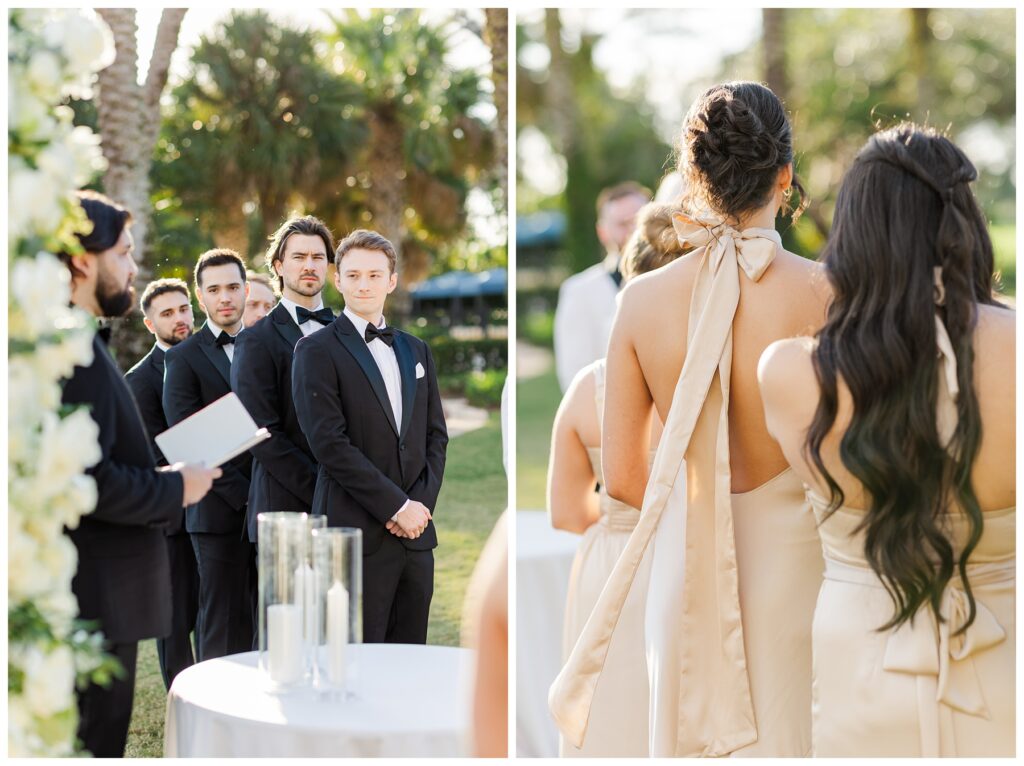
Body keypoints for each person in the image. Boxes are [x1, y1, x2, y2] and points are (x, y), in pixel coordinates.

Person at [550, 81, 831, 757]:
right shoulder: (829, 291)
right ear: (785, 176)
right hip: (803, 572)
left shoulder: (640, 303)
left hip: (684, 575)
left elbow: (622, 482)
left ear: (693, 180)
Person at [759, 124, 1015, 757]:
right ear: (964, 223)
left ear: (852, 233)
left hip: (861, 660)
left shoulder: (788, 373)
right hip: (1008, 652)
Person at [59, 191, 218, 757]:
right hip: (92, 603)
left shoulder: (80, 341)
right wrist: (178, 486)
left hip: (105, 600)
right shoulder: (62, 353)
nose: (133, 267)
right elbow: (86, 482)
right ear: (82, 261)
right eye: (124, 254)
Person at [548, 202, 687, 757]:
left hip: (612, 566)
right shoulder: (718, 376)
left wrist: (618, 518)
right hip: (689, 556)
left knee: (611, 722)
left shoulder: (588, 387)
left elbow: (565, 513)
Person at [292, 229, 448, 644]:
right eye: (354, 275)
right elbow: (329, 444)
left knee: (411, 656)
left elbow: (436, 437)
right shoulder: (316, 350)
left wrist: (419, 508)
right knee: (354, 660)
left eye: (375, 275)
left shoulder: (417, 351)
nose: (364, 284)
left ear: (392, 281)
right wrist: (395, 506)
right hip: (353, 534)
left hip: (416, 537)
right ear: (337, 280)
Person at [163, 249, 255, 660]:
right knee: (219, 620)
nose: (225, 297)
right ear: (200, 297)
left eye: (233, 287)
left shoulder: (266, 345)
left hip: (271, 505)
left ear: (245, 290)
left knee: (262, 620)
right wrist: (245, 495)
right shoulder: (182, 358)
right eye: (214, 289)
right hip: (215, 512)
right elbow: (188, 437)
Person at [232, 216, 335, 543]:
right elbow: (260, 433)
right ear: (278, 265)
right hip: (283, 512)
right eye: (299, 257)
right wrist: (324, 490)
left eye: (318, 257)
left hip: (350, 509)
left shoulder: (347, 333)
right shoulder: (255, 339)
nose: (309, 265)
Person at [124, 278, 199, 691]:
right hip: (172, 518)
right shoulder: (139, 380)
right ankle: (182, 697)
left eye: (184, 308)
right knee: (174, 618)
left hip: (221, 512)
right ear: (150, 324)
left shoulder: (211, 358)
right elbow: (154, 455)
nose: (180, 319)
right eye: (167, 313)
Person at [553, 181, 650, 391]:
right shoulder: (578, 291)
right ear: (602, 232)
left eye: (639, 221)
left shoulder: (673, 282)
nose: (633, 232)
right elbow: (574, 376)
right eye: (623, 224)